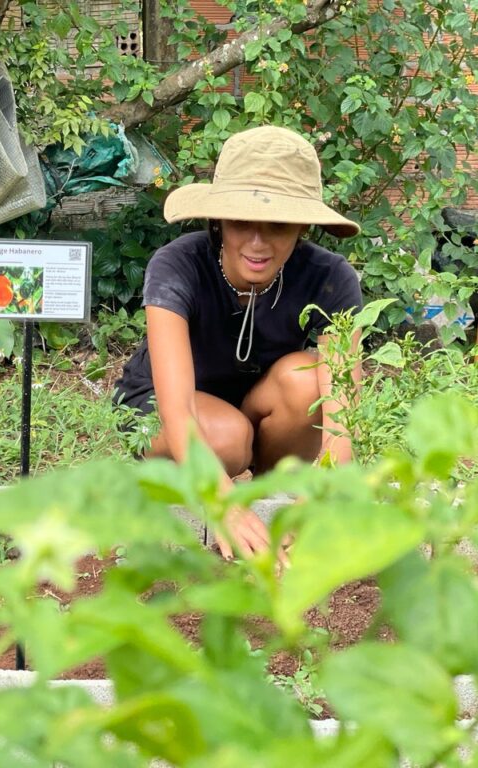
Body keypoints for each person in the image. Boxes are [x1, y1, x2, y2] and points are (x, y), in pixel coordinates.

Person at [114, 125, 362, 560]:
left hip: (254, 403)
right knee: (227, 439)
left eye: (279, 225)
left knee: (306, 379)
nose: (258, 242)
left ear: (303, 226)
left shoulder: (330, 277)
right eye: (242, 220)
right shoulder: (178, 265)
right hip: (169, 406)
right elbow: (175, 409)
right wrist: (222, 503)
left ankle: (272, 495)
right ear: (219, 219)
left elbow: (342, 413)